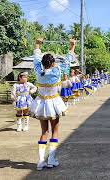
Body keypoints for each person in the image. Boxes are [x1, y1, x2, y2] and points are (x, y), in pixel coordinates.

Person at [30, 38, 76, 171]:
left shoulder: (39, 71)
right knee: (55, 130)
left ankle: (40, 161)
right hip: (54, 102)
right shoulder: (58, 71)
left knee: (44, 131)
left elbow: (36, 58)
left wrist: (38, 44)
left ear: (43, 63)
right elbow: (68, 59)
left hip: (41, 103)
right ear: (53, 63)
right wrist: (72, 46)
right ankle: (51, 159)